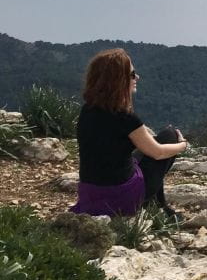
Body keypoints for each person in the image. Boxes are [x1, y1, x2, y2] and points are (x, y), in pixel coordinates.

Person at [70, 48, 188, 218]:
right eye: (132, 74)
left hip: (91, 195)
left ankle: (160, 205)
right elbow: (157, 152)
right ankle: (155, 206)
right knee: (169, 136)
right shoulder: (124, 116)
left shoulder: (87, 110)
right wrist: (182, 145)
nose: (137, 78)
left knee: (140, 156)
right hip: (119, 198)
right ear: (118, 80)